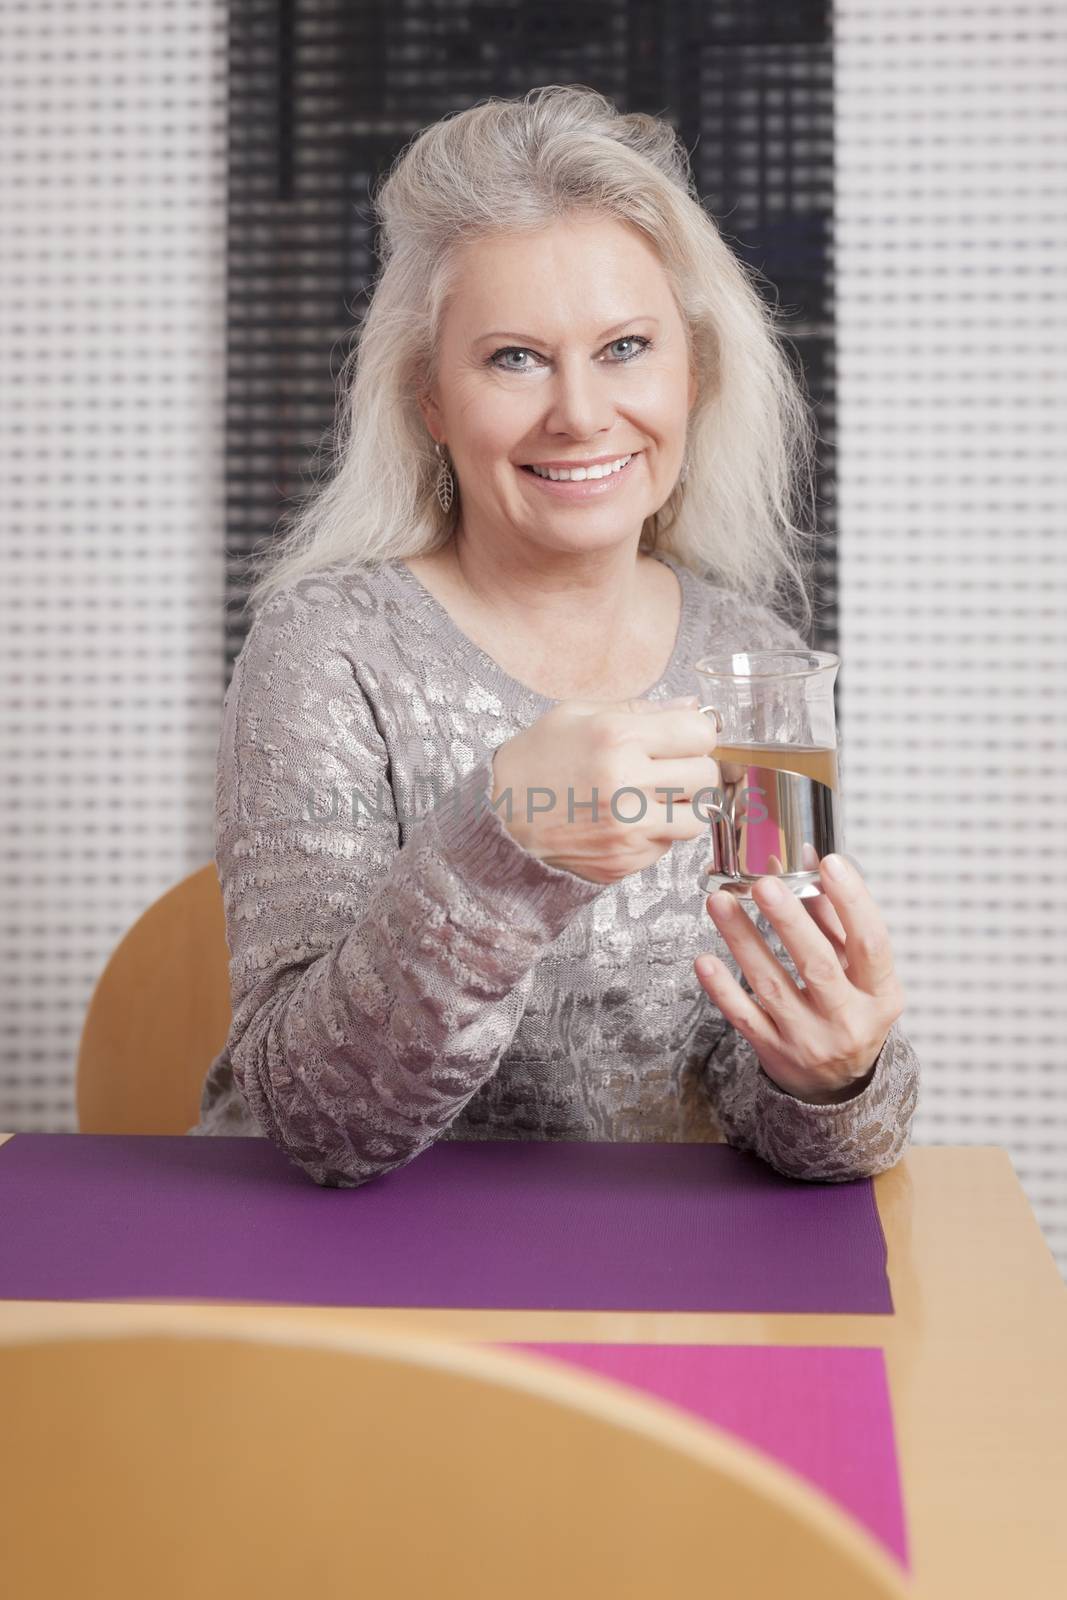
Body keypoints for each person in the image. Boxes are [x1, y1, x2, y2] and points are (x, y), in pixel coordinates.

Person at [188, 85, 920, 1187]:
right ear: (431, 397)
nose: (579, 413)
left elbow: (772, 1097)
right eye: (513, 358)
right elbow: (318, 1121)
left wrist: (830, 1073)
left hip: (624, 1286)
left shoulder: (749, 659)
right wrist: (503, 843)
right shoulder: (328, 650)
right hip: (332, 1291)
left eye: (625, 346)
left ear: (694, 372)